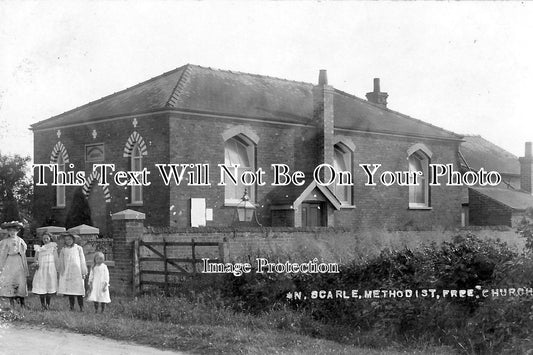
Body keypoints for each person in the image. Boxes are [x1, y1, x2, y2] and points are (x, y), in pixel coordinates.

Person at [0, 221, 29, 308]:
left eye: (14, 231)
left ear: (18, 231)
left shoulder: (20, 240)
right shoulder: (5, 242)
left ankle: (22, 302)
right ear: (8, 232)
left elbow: (23, 251)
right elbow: (2, 254)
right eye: (10, 231)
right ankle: (11, 302)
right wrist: (1, 265)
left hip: (18, 260)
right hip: (9, 261)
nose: (12, 233)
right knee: (10, 279)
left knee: (20, 279)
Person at [57, 233, 87, 311]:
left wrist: (83, 271)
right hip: (68, 272)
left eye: (70, 239)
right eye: (66, 240)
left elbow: (82, 260)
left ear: (73, 240)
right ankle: (72, 307)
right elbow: (61, 261)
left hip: (77, 272)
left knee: (79, 290)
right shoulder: (63, 249)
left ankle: (81, 307)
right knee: (71, 291)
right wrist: (62, 271)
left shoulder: (78, 248)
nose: (68, 241)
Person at [32, 232, 59, 310]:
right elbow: (35, 258)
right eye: (44, 239)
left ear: (50, 239)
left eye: (47, 238)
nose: (45, 240)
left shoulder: (53, 247)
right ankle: (42, 305)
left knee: (49, 286)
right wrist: (36, 263)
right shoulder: (39, 248)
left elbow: (56, 259)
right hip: (41, 269)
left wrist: (57, 269)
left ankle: (48, 304)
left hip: (50, 269)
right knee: (42, 285)